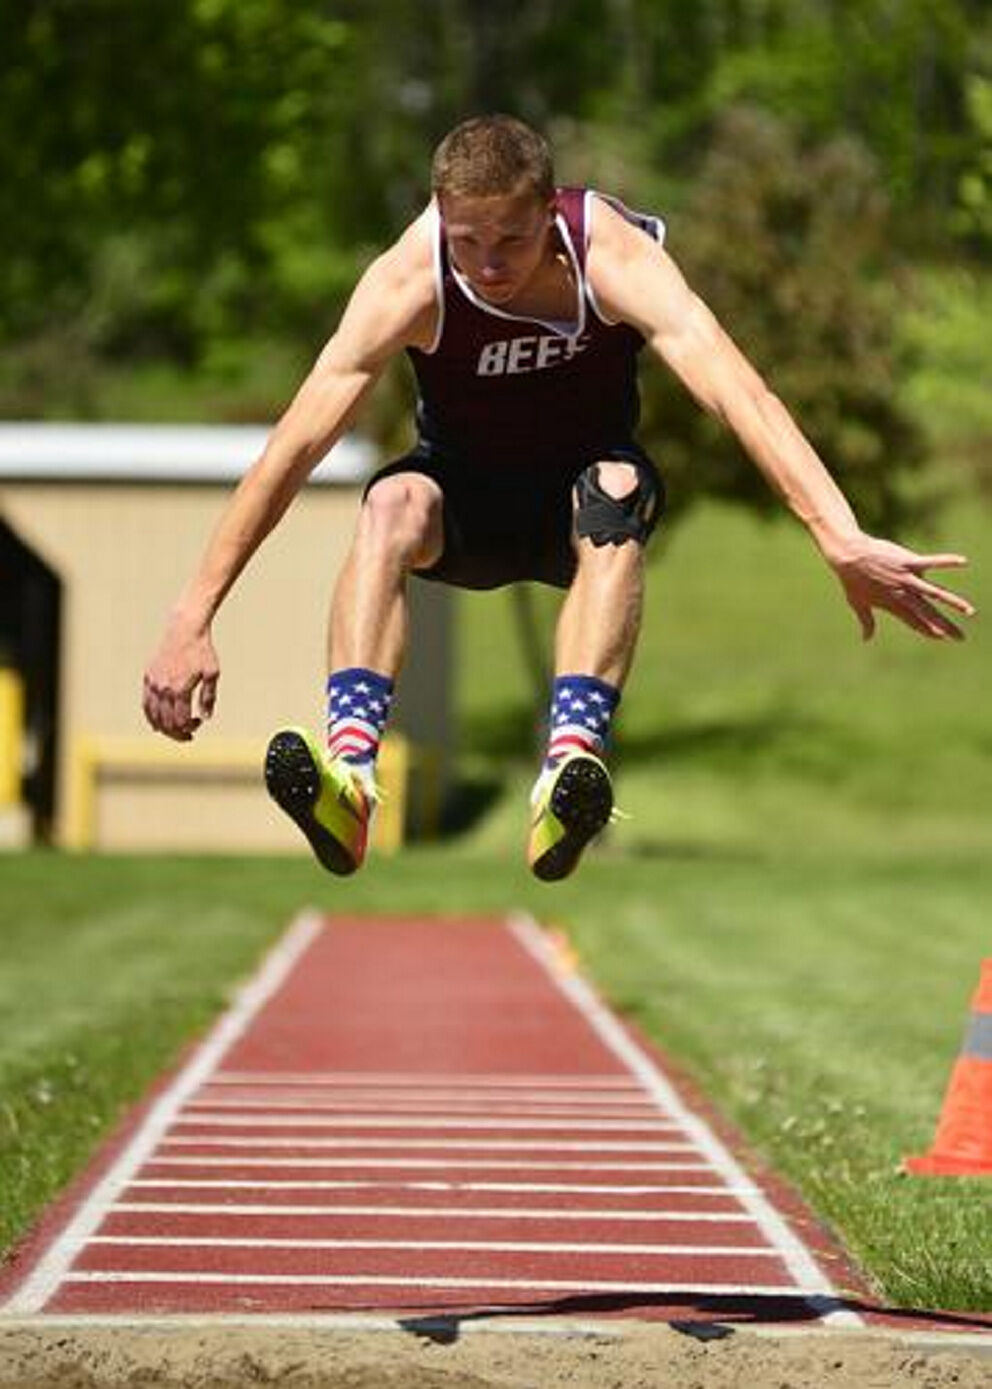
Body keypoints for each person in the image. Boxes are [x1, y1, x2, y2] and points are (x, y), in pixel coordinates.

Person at [142, 114, 974, 880]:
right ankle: (352, 774)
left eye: (512, 237)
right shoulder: (409, 277)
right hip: (465, 495)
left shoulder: (609, 253)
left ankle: (567, 770)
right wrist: (191, 615)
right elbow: (294, 444)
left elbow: (736, 389)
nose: (490, 265)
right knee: (390, 505)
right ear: (441, 218)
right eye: (468, 241)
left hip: (582, 492)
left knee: (613, 488)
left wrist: (838, 532)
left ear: (550, 212)